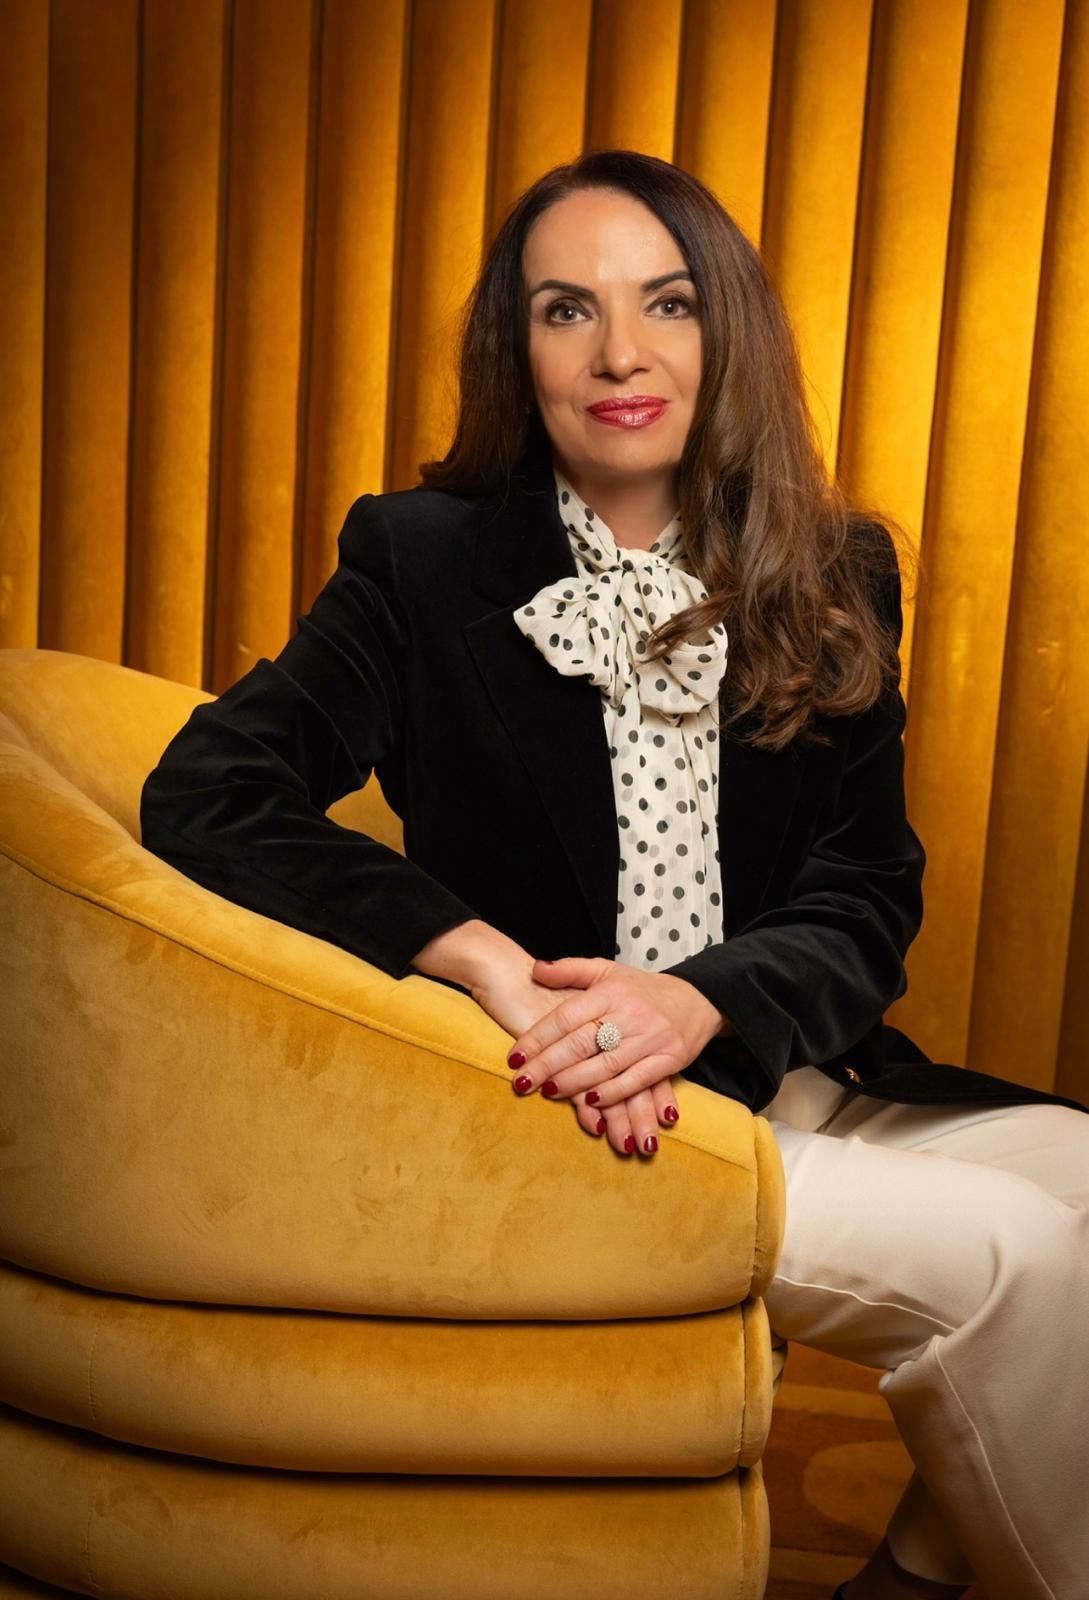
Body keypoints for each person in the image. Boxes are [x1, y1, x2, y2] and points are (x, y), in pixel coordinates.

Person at [140, 150, 1089, 1600]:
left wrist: (703, 1002)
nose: (621, 353)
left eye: (665, 303)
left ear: (729, 334)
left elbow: (866, 883)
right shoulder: (419, 559)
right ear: (513, 350)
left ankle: (909, 1577)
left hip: (778, 1065)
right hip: (573, 1111)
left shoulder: (831, 563)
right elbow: (210, 789)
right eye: (564, 310)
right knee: (1023, 1263)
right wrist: (480, 961)